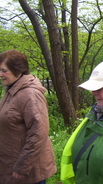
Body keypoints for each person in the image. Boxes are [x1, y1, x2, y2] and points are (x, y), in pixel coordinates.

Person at [0, 49, 56, 184]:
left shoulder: (30, 94)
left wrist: (22, 166)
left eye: (4, 71)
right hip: (9, 165)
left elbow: (38, 133)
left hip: (27, 173)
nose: (0, 74)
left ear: (18, 71)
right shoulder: (11, 91)